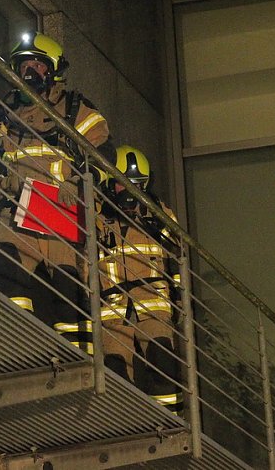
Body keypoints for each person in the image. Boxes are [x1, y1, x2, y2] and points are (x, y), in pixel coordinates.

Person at [0, 32, 115, 353]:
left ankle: (76, 360)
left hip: (62, 214)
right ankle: (16, 340)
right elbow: (0, 166)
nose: (29, 73)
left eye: (37, 66)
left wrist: (78, 184)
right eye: (23, 65)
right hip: (19, 214)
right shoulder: (4, 117)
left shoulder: (76, 112)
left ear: (53, 71)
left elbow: (104, 159)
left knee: (67, 297)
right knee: (3, 267)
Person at [96, 145, 183, 414]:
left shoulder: (159, 215)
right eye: (124, 185)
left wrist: (178, 296)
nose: (131, 192)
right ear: (110, 183)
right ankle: (123, 420)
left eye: (138, 185)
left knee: (163, 362)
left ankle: (170, 420)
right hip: (112, 308)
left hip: (154, 303)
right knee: (116, 369)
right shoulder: (96, 215)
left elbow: (176, 257)